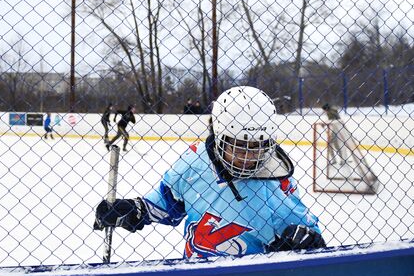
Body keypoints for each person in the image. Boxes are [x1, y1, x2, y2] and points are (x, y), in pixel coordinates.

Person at [95, 86, 325, 257]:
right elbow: (167, 204)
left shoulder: (276, 179)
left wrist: (305, 238)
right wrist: (136, 209)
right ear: (219, 137)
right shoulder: (194, 163)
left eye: (257, 147)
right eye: (238, 147)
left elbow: (301, 226)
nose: (248, 157)